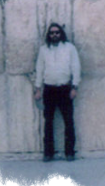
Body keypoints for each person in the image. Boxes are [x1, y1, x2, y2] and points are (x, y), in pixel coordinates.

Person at [34, 23, 81, 162]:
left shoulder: (69, 48)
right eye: (52, 33)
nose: (54, 35)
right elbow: (40, 69)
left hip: (65, 89)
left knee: (68, 121)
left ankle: (69, 152)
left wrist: (75, 87)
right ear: (49, 35)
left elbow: (76, 67)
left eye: (57, 32)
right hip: (49, 90)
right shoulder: (44, 50)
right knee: (48, 122)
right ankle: (48, 153)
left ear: (61, 33)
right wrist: (38, 89)